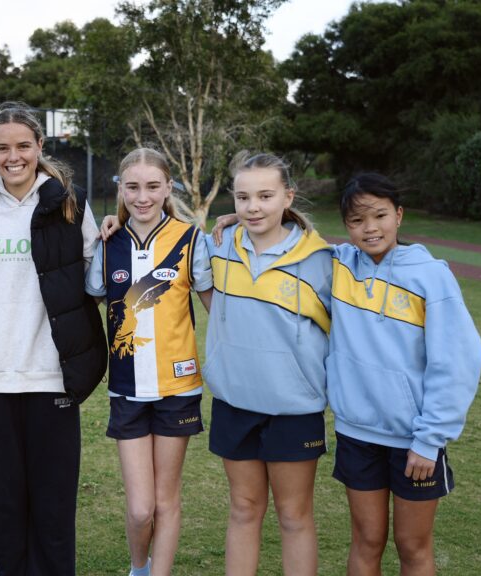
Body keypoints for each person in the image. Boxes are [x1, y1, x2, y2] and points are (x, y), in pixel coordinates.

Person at [0, 102, 107, 576]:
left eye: (23, 145)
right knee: (4, 509)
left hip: (51, 377)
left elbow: (96, 278)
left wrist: (115, 231)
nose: (13, 156)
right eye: (2, 147)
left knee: (53, 509)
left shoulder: (70, 204)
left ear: (40, 146)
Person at [328, 173, 481, 576]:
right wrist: (238, 218)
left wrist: (429, 440)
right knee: (366, 540)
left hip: (415, 440)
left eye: (379, 216)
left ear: (398, 215)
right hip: (357, 433)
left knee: (412, 546)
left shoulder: (431, 276)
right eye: (357, 220)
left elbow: (456, 361)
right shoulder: (338, 266)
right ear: (346, 226)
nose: (370, 228)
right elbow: (286, 236)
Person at [85, 147, 212, 576]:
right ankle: (139, 567)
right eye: (133, 187)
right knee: (141, 509)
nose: (143, 197)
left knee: (165, 500)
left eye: (153, 186)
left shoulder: (190, 238)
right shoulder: (107, 243)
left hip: (178, 388)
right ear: (120, 188)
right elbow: (85, 305)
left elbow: (217, 309)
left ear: (168, 188)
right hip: (127, 390)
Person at [204, 152, 332, 576]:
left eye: (265, 196)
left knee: (294, 516)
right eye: (243, 198)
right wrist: (115, 219)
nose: (253, 207)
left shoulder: (322, 260)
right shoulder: (217, 245)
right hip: (234, 402)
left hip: (294, 409)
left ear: (287, 196)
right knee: (243, 508)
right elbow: (161, 237)